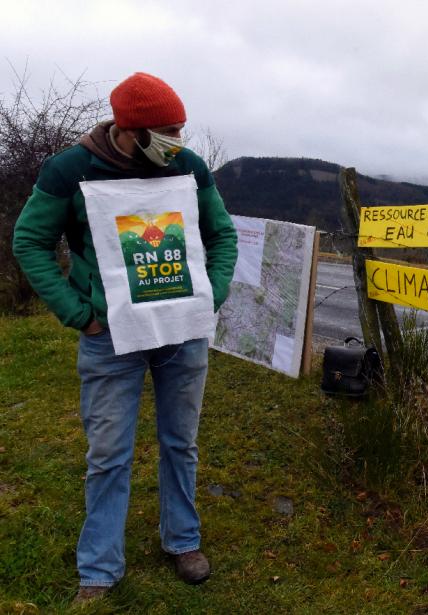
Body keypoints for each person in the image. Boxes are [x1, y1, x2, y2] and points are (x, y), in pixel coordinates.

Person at [12, 72, 238, 603]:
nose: (176, 141)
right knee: (109, 452)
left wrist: (212, 292)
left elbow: (221, 233)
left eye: (180, 129)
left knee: (181, 442)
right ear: (128, 130)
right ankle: (99, 569)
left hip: (182, 332)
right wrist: (78, 314)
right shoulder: (70, 169)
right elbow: (30, 241)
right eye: (166, 131)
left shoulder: (187, 166)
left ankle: (182, 541)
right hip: (109, 338)